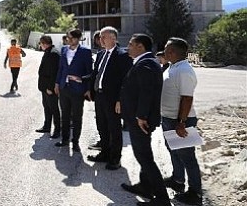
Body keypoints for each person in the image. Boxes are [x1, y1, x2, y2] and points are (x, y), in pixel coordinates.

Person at [120, 33, 171, 206]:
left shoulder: (146, 63)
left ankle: (162, 199)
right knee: (143, 154)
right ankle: (145, 186)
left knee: (145, 158)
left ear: (140, 46)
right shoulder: (144, 62)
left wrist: (141, 116)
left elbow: (146, 92)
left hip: (141, 121)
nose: (128, 47)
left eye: (130, 44)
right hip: (138, 118)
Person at [160, 38, 203, 206]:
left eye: (166, 49)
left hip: (180, 120)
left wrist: (182, 122)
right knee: (173, 150)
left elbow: (187, 98)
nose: (163, 52)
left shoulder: (184, 70)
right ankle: (177, 179)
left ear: (172, 52)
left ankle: (195, 193)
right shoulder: (173, 67)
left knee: (187, 157)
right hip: (169, 118)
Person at [86, 26, 133, 170]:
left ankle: (115, 158)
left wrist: (120, 100)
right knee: (102, 126)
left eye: (103, 37)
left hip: (113, 99)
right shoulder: (100, 54)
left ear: (113, 38)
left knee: (114, 129)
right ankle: (104, 153)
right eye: (99, 37)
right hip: (99, 96)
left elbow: (127, 80)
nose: (100, 40)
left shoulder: (122, 56)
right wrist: (90, 89)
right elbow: (96, 73)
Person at [54, 29, 93, 152]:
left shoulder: (85, 52)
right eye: (67, 38)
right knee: (64, 115)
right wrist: (56, 83)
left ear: (77, 38)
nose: (68, 40)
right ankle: (65, 139)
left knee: (77, 116)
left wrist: (85, 86)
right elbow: (60, 68)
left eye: (70, 38)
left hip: (77, 90)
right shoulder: (64, 49)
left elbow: (89, 72)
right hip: (64, 88)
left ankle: (75, 142)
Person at [35, 35, 61, 138]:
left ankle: (57, 130)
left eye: (40, 43)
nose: (40, 45)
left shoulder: (53, 53)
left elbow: (54, 73)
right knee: (47, 107)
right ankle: (47, 126)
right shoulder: (49, 51)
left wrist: (50, 88)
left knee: (54, 109)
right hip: (45, 87)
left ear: (45, 43)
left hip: (49, 88)